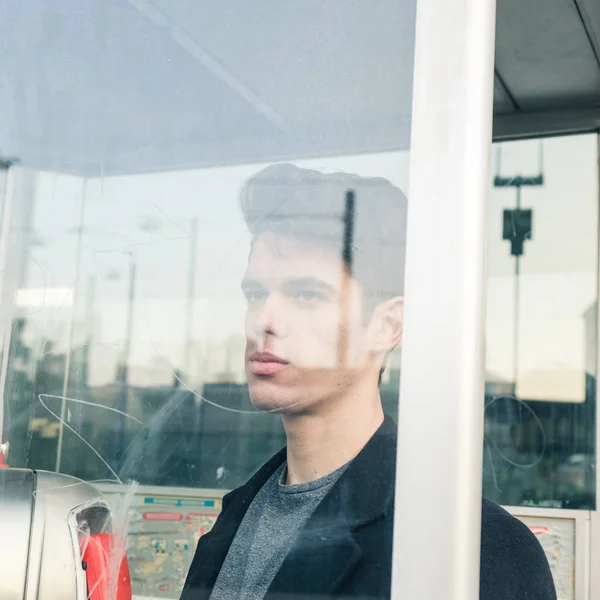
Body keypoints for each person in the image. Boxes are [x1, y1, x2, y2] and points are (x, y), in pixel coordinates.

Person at [180, 164, 556, 600]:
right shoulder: (239, 514)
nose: (263, 321)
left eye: (306, 295)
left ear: (386, 325)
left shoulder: (472, 550)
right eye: (256, 294)